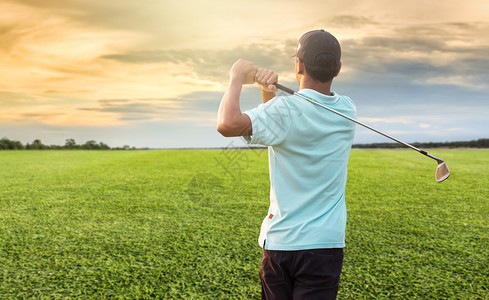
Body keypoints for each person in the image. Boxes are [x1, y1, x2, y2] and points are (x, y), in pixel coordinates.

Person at [217, 29, 356, 300]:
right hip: (325, 244)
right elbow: (286, 131)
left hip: (281, 243)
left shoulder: (284, 111)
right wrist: (267, 94)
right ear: (337, 68)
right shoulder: (348, 109)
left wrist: (235, 78)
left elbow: (227, 124)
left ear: (299, 64)